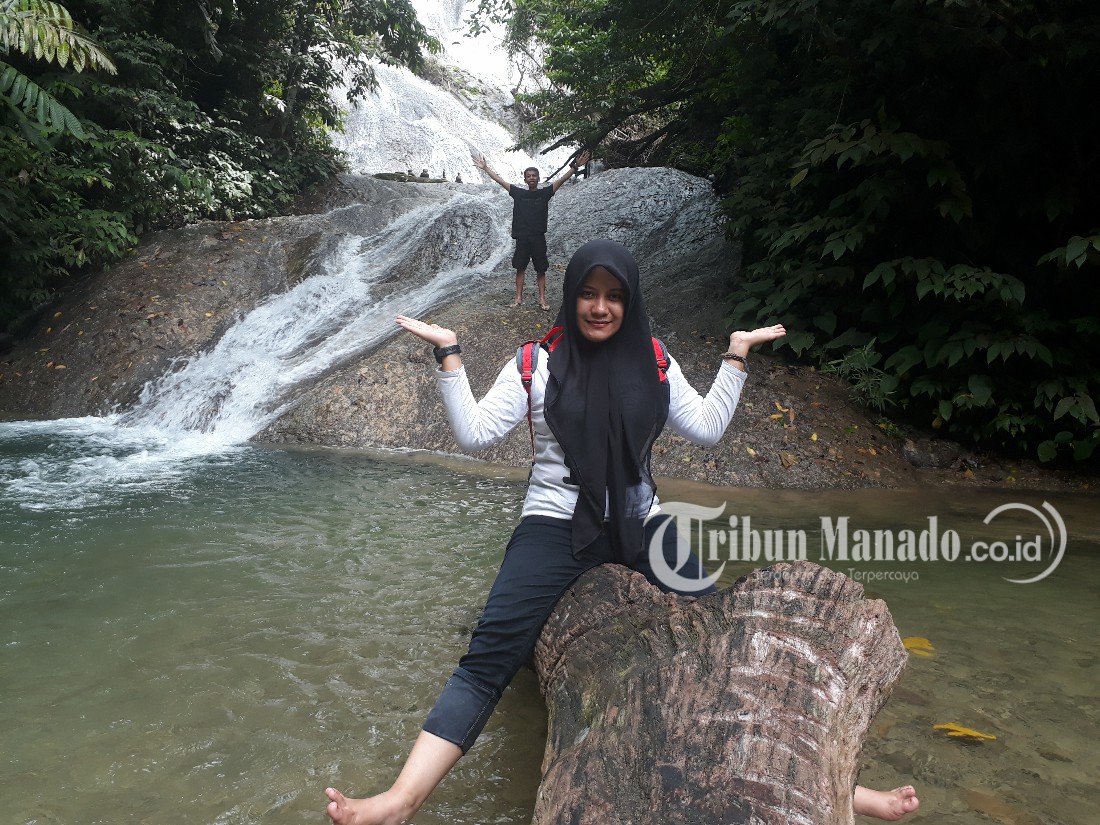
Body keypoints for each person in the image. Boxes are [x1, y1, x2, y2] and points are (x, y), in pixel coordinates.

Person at [324, 240, 920, 825]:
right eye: (588, 293)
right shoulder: (536, 363)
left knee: (726, 638)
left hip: (642, 520)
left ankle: (839, 786)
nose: (600, 307)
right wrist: (449, 354)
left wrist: (736, 355)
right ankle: (400, 802)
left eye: (614, 295)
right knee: (488, 657)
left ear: (630, 301)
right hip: (554, 521)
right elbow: (476, 434)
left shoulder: (655, 360)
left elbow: (707, 427)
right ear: (571, 297)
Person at [472, 149, 591, 310]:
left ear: (538, 178)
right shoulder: (518, 193)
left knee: (541, 269)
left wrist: (576, 166)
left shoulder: (545, 193)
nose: (532, 178)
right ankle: (518, 299)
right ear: (525, 179)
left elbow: (562, 179)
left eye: (534, 175)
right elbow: (500, 181)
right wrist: (485, 168)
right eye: (529, 176)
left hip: (538, 237)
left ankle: (542, 300)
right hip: (522, 238)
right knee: (520, 268)